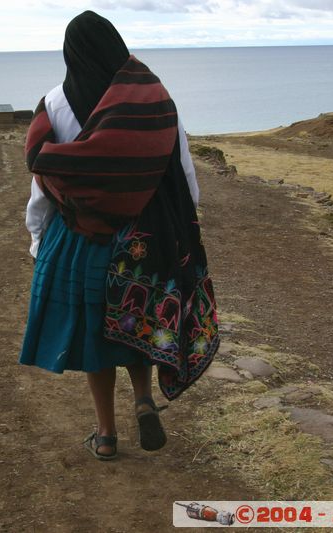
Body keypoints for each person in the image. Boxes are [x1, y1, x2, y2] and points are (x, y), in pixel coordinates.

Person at [21, 11, 220, 461]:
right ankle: (144, 400)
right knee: (136, 322)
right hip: (143, 239)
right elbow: (183, 172)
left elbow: (44, 180)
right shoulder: (153, 98)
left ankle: (106, 435)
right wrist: (181, 229)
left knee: (96, 340)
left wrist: (37, 236)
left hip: (79, 241)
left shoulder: (54, 103)